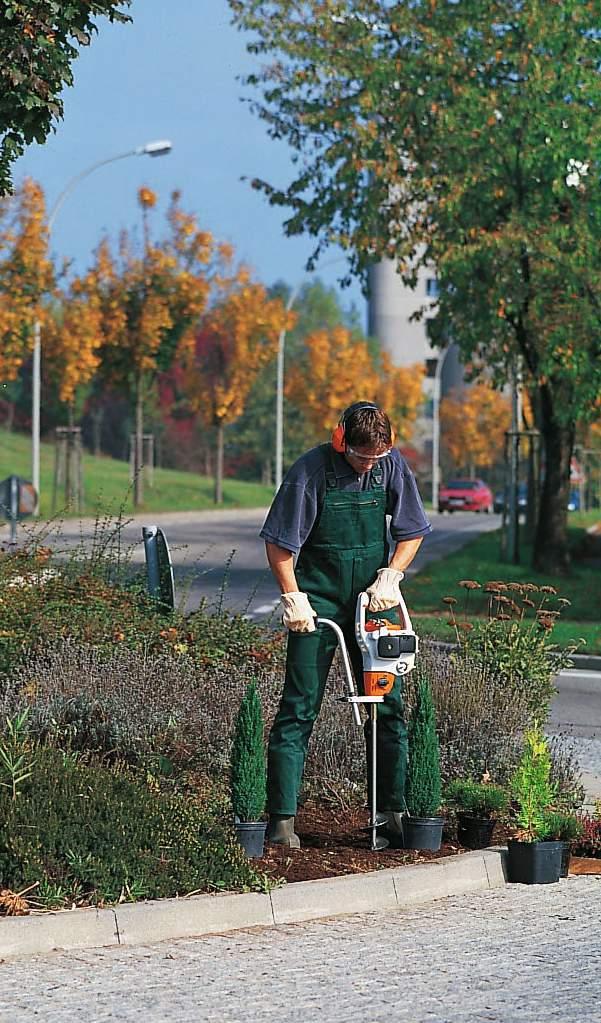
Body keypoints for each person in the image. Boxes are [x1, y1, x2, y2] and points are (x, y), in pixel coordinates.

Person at [260, 401, 432, 847]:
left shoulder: (391, 466)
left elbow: (411, 530)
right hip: (317, 598)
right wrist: (292, 596)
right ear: (341, 441)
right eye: (361, 457)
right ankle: (281, 823)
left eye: (376, 457)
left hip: (372, 600)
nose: (368, 465)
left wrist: (392, 574)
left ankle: (391, 811)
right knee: (299, 706)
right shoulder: (310, 472)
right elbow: (280, 544)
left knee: (388, 705)